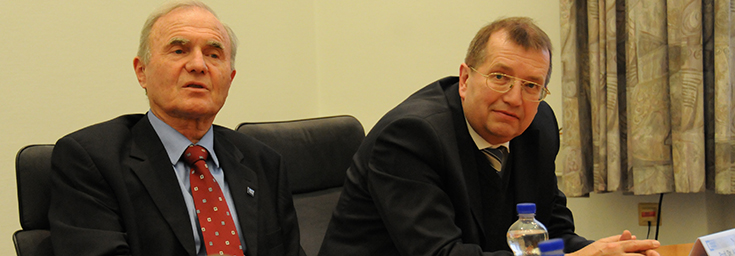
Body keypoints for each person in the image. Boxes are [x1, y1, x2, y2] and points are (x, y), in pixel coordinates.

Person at [318, 17, 660, 256]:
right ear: (465, 79)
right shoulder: (411, 137)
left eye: (531, 86)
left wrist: (603, 250)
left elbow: (551, 238)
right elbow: (442, 254)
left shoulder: (536, 126)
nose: (514, 97)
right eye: (500, 77)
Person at [48, 2, 305, 256]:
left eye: (213, 55)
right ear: (142, 72)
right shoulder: (91, 160)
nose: (198, 65)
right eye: (179, 51)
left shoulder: (264, 163)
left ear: (230, 78)